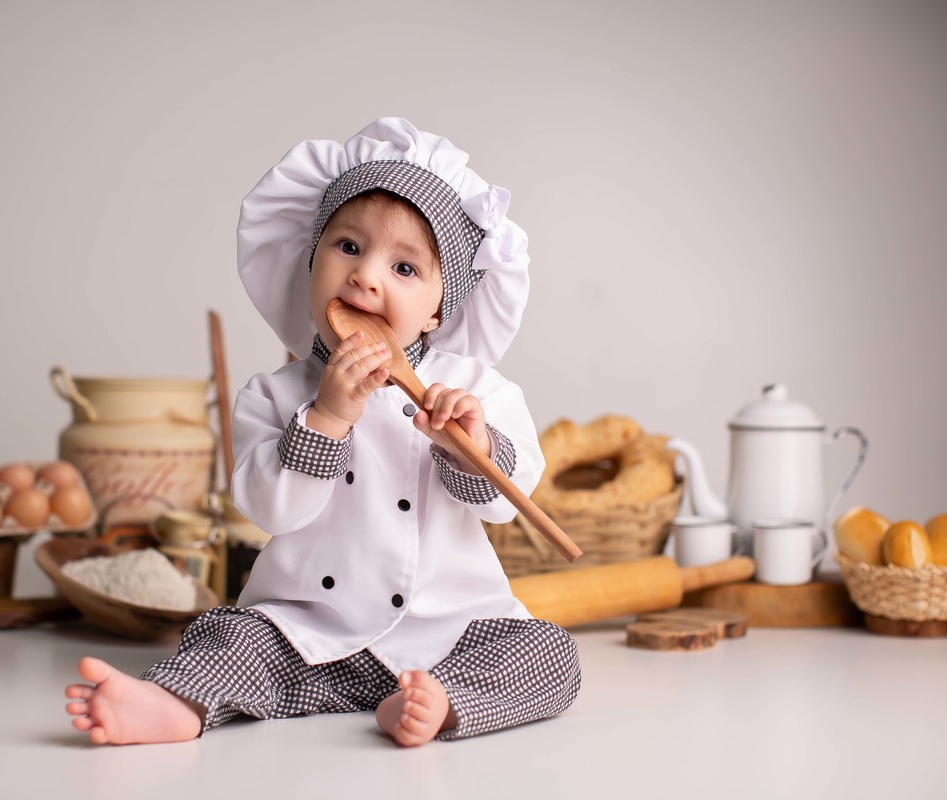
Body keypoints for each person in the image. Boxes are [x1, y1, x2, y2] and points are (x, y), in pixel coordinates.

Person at [64, 118, 581, 747]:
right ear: (311, 263)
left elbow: (509, 499)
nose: (367, 277)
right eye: (349, 247)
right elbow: (269, 510)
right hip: (309, 634)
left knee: (552, 655)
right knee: (232, 638)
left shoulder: (478, 390)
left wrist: (470, 449)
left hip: (447, 632)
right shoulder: (274, 393)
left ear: (443, 307)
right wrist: (329, 417)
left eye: (406, 268)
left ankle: (442, 704)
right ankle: (174, 704)